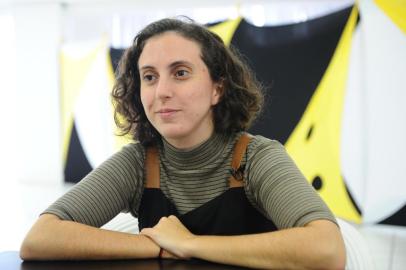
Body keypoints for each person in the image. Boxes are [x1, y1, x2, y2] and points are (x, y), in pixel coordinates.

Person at [20, 17, 346, 269]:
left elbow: (327, 250)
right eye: (149, 76)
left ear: (218, 88)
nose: (162, 91)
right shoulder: (138, 162)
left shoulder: (256, 157)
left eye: (180, 73)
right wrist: (158, 245)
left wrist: (190, 244)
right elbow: (40, 238)